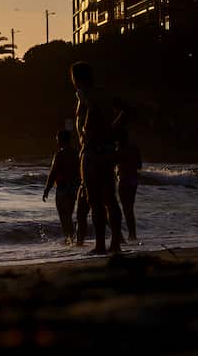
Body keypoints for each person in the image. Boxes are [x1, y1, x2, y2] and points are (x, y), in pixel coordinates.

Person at [70, 62, 123, 254]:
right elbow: (126, 109)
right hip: (106, 150)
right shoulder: (104, 94)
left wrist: (88, 128)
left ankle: (101, 245)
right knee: (110, 198)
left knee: (96, 201)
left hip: (92, 151)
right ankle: (115, 243)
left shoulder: (86, 94)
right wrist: (113, 131)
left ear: (77, 78)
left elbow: (94, 112)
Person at [42, 130, 81, 245]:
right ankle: (71, 239)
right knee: (68, 215)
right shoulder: (76, 154)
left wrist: (46, 190)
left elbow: (52, 173)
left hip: (63, 189)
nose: (57, 141)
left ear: (61, 140)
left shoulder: (59, 155)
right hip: (74, 189)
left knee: (64, 217)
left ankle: (69, 239)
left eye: (57, 139)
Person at [116, 125, 142, 241]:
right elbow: (139, 165)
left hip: (124, 179)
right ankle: (133, 234)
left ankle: (130, 235)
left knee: (125, 208)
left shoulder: (119, 150)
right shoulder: (134, 148)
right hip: (133, 179)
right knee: (129, 207)